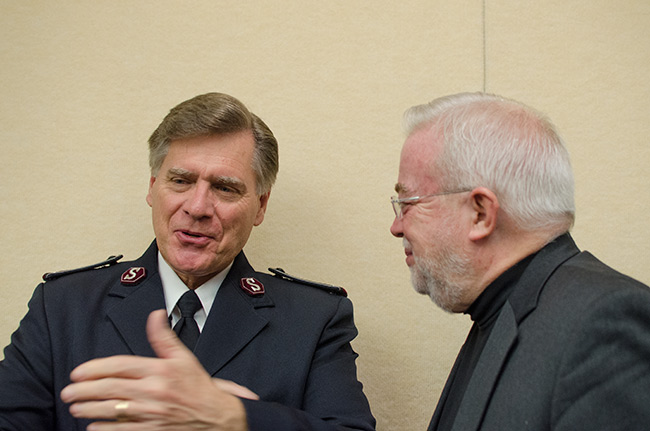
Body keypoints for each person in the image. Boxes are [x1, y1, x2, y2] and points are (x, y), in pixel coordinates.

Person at [0, 92, 375, 430]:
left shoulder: (313, 319)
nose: (196, 208)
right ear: (152, 188)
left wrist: (237, 418)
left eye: (225, 188)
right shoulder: (63, 307)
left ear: (260, 206)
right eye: (180, 181)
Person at [390, 92, 650, 431]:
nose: (396, 227)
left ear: (480, 213)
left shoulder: (602, 324)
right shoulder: (501, 313)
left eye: (408, 202)